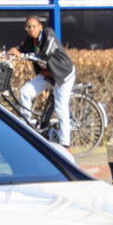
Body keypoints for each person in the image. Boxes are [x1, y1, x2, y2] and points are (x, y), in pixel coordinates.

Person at [8, 15, 75, 147]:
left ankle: (65, 144)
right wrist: (10, 53)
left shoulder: (48, 34)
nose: (31, 29)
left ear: (40, 27)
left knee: (61, 108)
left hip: (62, 74)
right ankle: (26, 130)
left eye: (34, 26)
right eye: (28, 27)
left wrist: (21, 55)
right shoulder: (30, 40)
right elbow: (20, 49)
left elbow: (45, 55)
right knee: (25, 92)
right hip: (48, 74)